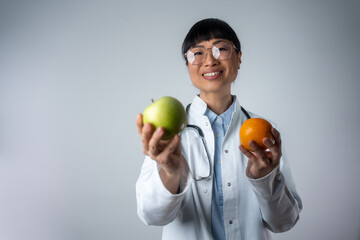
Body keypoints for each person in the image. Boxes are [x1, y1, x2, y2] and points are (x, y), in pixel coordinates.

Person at [135, 18, 302, 240]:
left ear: (239, 57)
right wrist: (170, 171)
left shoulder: (264, 133)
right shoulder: (168, 134)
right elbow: (151, 216)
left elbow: (284, 222)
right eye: (197, 53)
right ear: (187, 64)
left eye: (221, 49)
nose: (210, 60)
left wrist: (266, 179)